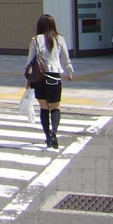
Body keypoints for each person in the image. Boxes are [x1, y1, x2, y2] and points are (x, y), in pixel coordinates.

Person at [25, 14, 74, 149]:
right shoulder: (60, 39)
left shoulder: (35, 40)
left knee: (44, 108)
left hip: (39, 78)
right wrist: (69, 72)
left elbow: (30, 61)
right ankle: (54, 133)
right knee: (55, 107)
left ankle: (47, 136)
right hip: (54, 75)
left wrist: (28, 79)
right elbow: (65, 58)